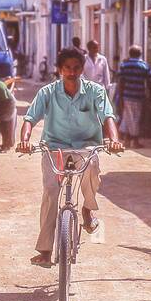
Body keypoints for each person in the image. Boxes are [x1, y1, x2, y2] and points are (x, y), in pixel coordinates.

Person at [17, 46, 123, 267]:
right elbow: (30, 118)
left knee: (92, 171)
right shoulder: (47, 92)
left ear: (82, 69)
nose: (72, 72)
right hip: (55, 148)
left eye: (76, 68)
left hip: (86, 147)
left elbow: (107, 116)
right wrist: (25, 140)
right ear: (59, 69)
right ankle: (45, 251)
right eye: (67, 68)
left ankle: (86, 211)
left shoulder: (95, 91)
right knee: (50, 192)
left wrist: (113, 139)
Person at [114, 44, 151, 149]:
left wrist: (120, 95)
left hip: (127, 95)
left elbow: (121, 81)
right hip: (138, 95)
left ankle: (127, 140)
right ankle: (134, 141)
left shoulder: (124, 65)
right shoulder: (144, 66)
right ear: (140, 54)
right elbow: (149, 82)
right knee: (135, 117)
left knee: (128, 116)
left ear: (129, 54)